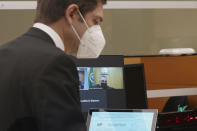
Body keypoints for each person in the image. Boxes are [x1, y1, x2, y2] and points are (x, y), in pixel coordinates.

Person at [0, 0, 107, 131]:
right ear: (72, 13)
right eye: (95, 21)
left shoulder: (4, 53)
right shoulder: (57, 62)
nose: (96, 30)